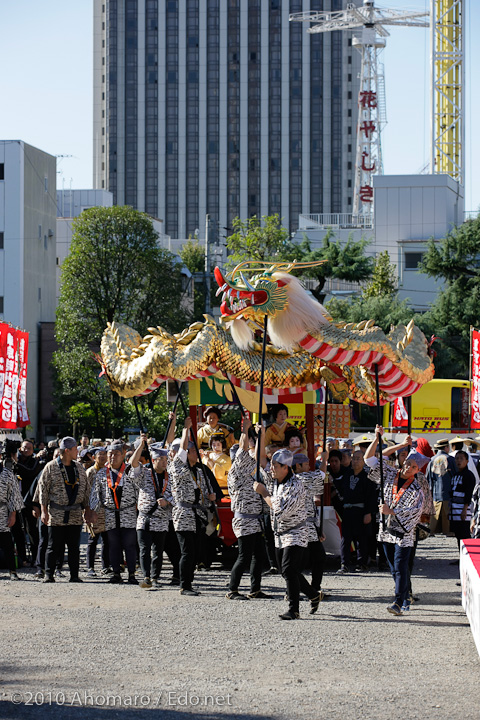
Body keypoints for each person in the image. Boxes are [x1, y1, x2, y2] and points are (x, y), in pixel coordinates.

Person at [254, 449, 321, 620]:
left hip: (296, 532)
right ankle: (313, 594)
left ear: (286, 467)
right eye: (272, 466)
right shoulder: (276, 480)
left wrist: (264, 493)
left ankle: (294, 609)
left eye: (275, 466)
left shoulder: (295, 485)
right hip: (280, 533)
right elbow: (260, 460)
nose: (271, 469)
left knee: (289, 569)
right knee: (288, 571)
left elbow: (279, 510)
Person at [364, 427, 424, 617]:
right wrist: (379, 438)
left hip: (403, 533)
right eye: (407, 463)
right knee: (393, 568)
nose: (408, 467)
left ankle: (398, 601)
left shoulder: (417, 489)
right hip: (385, 529)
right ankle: (404, 596)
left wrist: (393, 511)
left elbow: (414, 512)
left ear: (417, 470)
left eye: (413, 466)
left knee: (400, 566)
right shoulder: (390, 473)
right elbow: (370, 459)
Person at [171, 418, 217, 596]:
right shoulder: (177, 466)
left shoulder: (199, 471)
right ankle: (185, 585)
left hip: (197, 513)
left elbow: (204, 491)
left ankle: (189, 581)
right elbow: (181, 450)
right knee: (187, 551)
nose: (195, 453)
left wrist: (209, 497)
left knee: (196, 551)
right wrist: (186, 430)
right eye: (192, 450)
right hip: (183, 513)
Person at [227, 418, 269, 600]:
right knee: (244, 556)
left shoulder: (248, 468)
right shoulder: (237, 468)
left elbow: (259, 455)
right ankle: (232, 590)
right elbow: (245, 448)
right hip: (244, 519)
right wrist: (245, 429)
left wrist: (261, 435)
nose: (248, 455)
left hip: (255, 519)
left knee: (258, 555)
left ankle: (255, 589)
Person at [38, 436, 90, 583]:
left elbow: (86, 490)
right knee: (53, 545)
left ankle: (74, 575)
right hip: (56, 513)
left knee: (74, 547)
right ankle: (49, 574)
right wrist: (43, 510)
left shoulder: (79, 467)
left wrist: (87, 509)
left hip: (75, 514)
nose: (77, 452)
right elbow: (43, 491)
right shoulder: (51, 467)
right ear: (67, 451)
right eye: (75, 449)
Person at [89, 439, 141, 585]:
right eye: (110, 454)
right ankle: (116, 573)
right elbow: (95, 494)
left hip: (128, 512)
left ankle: (132, 573)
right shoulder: (101, 474)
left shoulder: (130, 471)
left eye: (116, 454)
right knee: (113, 545)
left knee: (130, 544)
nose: (113, 457)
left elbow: (140, 491)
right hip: (110, 513)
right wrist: (93, 511)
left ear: (123, 455)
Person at [134, 438, 175, 589]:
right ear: (153, 460)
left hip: (162, 519)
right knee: (144, 549)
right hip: (145, 518)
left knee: (158, 551)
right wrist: (141, 446)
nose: (165, 462)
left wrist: (167, 501)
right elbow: (133, 464)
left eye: (166, 459)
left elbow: (176, 496)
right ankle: (146, 576)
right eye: (161, 459)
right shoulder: (144, 473)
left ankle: (155, 576)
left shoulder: (170, 477)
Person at [292, 451, 327, 598]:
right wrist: (324, 459)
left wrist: (318, 529)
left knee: (314, 558)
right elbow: (322, 475)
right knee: (307, 560)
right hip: (304, 527)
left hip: (308, 526)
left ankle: (312, 588)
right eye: (306, 464)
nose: (309, 466)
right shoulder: (301, 477)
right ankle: (302, 589)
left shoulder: (293, 479)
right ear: (298, 466)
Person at [335, 450, 376, 574]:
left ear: (364, 461)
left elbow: (371, 497)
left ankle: (362, 563)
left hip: (361, 510)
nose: (355, 461)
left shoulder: (368, 477)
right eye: (354, 458)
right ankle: (344, 564)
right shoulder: (347, 475)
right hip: (348, 510)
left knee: (361, 539)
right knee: (345, 538)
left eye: (358, 459)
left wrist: (368, 513)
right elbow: (340, 489)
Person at [84, 447, 110, 577]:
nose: (103, 457)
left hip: (106, 511)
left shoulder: (108, 471)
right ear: (94, 457)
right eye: (100, 455)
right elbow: (86, 493)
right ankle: (90, 567)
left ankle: (105, 566)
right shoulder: (90, 472)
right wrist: (87, 511)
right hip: (93, 511)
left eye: (105, 454)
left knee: (106, 540)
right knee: (92, 540)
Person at [0, 453, 24, 580]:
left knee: (7, 543)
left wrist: (13, 514)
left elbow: (14, 495)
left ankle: (12, 571)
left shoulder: (7, 474)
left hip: (2, 511)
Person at [426, 438, 456, 536]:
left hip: (435, 492)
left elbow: (428, 477)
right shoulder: (451, 459)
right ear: (446, 447)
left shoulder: (431, 460)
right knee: (447, 514)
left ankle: (431, 531)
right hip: (449, 491)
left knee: (435, 514)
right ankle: (447, 531)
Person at [449, 450, 475, 551]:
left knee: (464, 533)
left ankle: (468, 555)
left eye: (461, 458)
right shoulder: (455, 475)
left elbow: (469, 493)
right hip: (454, 509)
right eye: (457, 458)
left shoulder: (469, 475)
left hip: (463, 510)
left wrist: (465, 508)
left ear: (467, 461)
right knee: (457, 533)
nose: (458, 461)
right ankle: (461, 555)